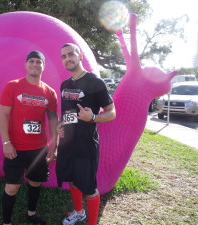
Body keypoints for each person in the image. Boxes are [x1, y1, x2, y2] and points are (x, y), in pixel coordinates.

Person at [56, 43, 116, 225]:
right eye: (64, 56)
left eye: (71, 54)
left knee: (89, 188)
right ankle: (78, 212)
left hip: (86, 145)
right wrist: (60, 126)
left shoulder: (95, 82)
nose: (67, 59)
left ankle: (91, 222)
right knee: (73, 181)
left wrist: (93, 118)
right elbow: (66, 112)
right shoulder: (65, 85)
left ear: (80, 55)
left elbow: (112, 112)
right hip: (68, 143)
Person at [0, 50, 58, 225]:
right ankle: (7, 222)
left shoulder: (49, 92)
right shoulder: (13, 86)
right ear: (25, 65)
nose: (34, 64)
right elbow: (3, 116)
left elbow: (53, 120)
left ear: (43, 66)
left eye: (38, 62)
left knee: (35, 182)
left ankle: (31, 214)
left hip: (38, 150)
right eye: (31, 61)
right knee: (12, 187)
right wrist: (6, 142)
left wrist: (54, 146)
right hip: (15, 148)